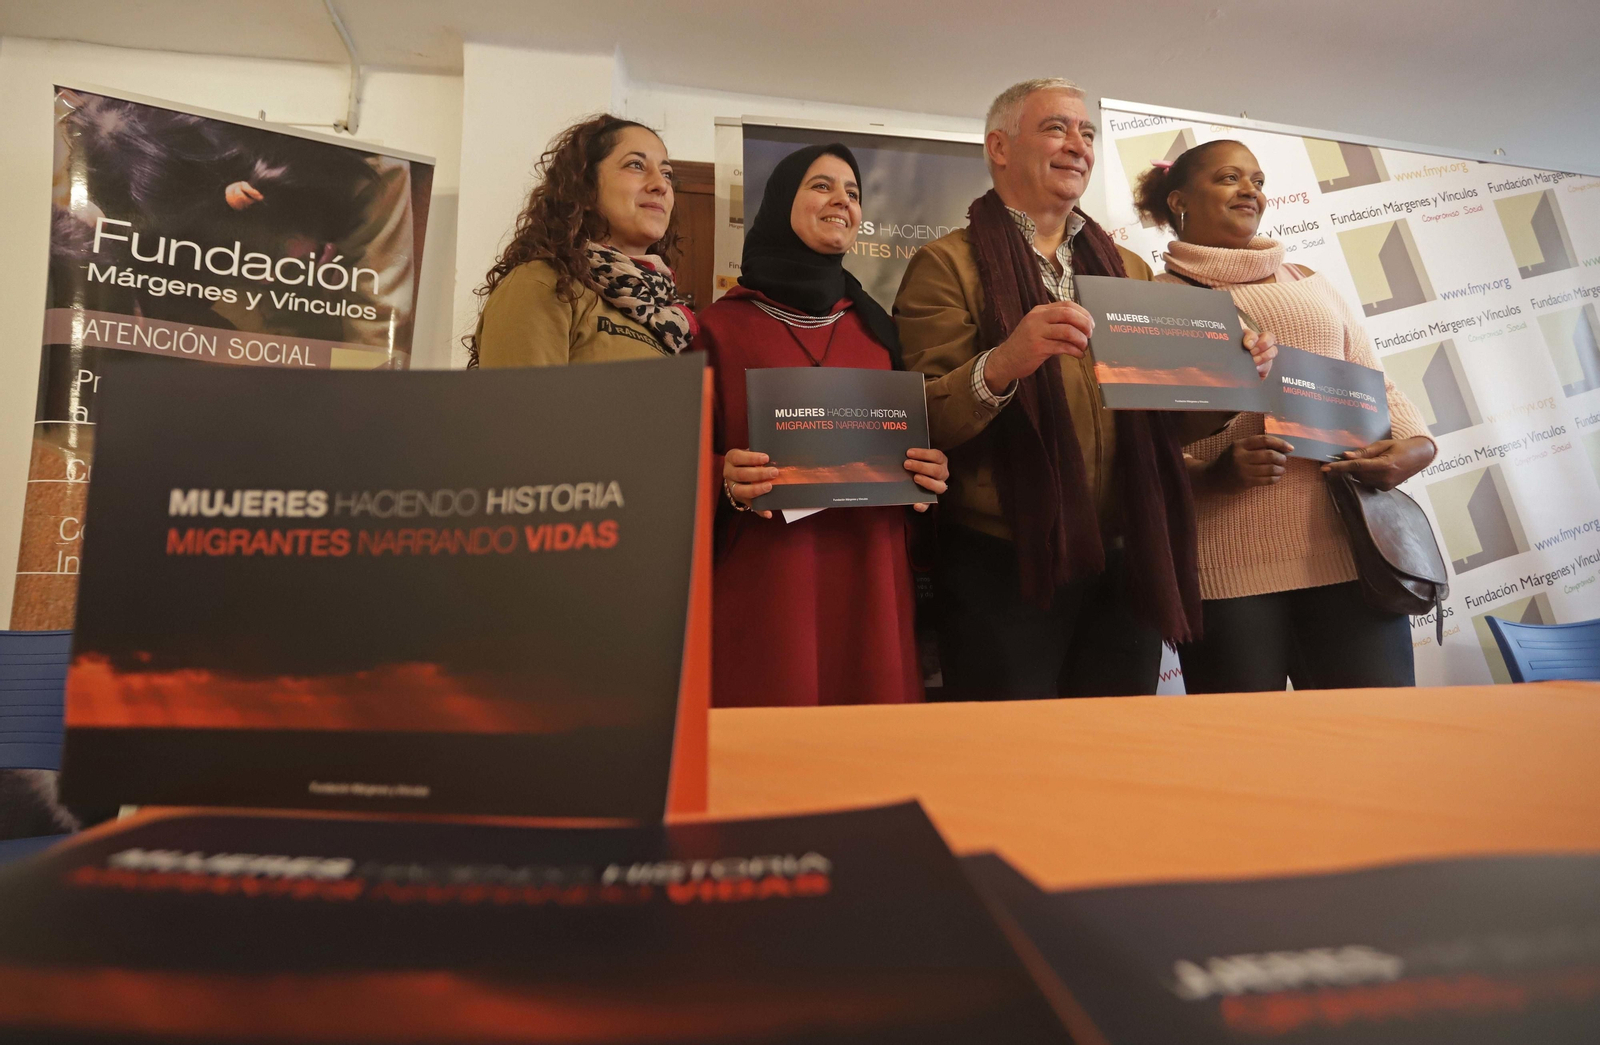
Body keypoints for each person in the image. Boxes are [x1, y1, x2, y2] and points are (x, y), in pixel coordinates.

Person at [893, 78, 1275, 701]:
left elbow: (1161, 422)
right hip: (1005, 559)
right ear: (999, 147)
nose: (1078, 145)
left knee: (1110, 746)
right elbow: (924, 417)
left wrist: (1228, 380)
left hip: (1125, 554)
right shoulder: (946, 264)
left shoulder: (1129, 270)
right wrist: (1006, 361)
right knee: (1009, 748)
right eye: (1056, 128)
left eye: (1087, 133)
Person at [1132, 139, 1437, 691]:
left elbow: (1377, 383)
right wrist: (1215, 473)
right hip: (1227, 569)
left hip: (1351, 555)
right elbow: (1145, 442)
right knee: (1250, 742)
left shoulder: (1309, 281)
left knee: (1379, 733)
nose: (1250, 190)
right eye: (1229, 177)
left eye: (1257, 180)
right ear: (1179, 200)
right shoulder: (1154, 299)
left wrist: (1419, 444)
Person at [698, 143, 950, 707]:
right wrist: (722, 477)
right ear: (781, 201)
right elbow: (673, 462)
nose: (842, 200)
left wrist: (926, 475)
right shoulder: (719, 329)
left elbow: (910, 457)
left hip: (871, 576)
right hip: (770, 583)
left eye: (853, 192)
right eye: (821, 185)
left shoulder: (879, 330)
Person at [467, 115, 695, 367]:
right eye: (636, 165)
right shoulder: (542, 284)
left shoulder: (663, 314)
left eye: (667, 173)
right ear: (585, 187)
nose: (661, 184)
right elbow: (519, 394)